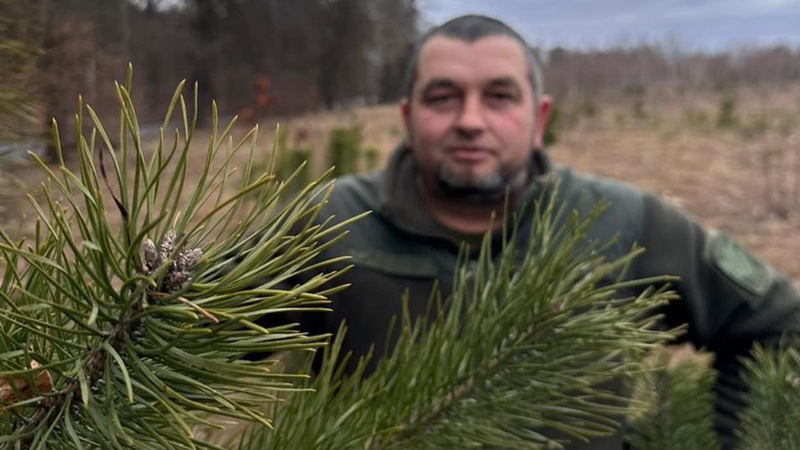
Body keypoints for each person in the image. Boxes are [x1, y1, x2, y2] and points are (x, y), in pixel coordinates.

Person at [260, 14, 800, 449]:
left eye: (499, 96)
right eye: (443, 97)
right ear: (407, 116)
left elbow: (780, 322)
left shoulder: (624, 223)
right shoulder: (331, 219)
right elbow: (209, 321)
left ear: (539, 118)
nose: (470, 120)